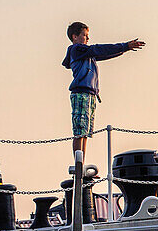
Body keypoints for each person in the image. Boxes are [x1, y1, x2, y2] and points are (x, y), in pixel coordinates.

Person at [62, 22, 145, 160]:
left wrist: (124, 50)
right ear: (74, 36)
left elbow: (104, 53)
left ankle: (82, 160)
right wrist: (124, 46)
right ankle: (78, 162)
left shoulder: (86, 54)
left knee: (85, 132)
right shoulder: (76, 49)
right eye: (84, 35)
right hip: (81, 93)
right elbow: (98, 49)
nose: (87, 39)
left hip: (90, 95)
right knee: (79, 131)